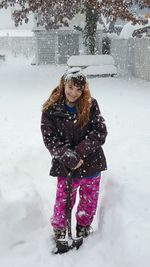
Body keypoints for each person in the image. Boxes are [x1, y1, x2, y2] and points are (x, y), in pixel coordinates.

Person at [41, 67, 107, 240]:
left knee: (89, 199)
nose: (74, 93)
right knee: (64, 199)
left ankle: (84, 226)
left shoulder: (91, 105)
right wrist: (68, 156)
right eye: (70, 87)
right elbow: (50, 139)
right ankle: (60, 229)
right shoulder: (51, 109)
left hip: (91, 162)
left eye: (79, 89)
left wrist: (78, 153)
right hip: (65, 165)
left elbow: (100, 132)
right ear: (63, 84)